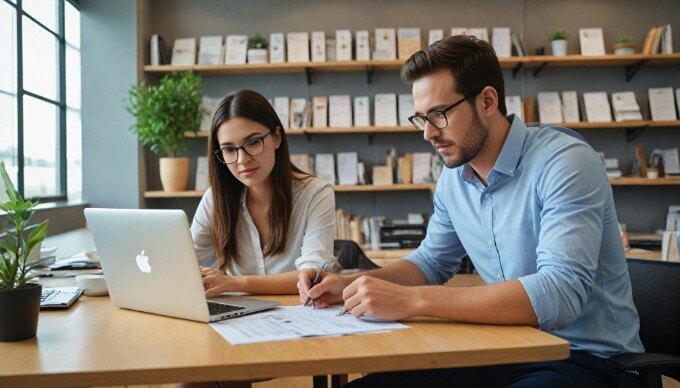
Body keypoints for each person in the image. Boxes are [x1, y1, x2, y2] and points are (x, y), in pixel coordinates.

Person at [298, 36, 643, 387]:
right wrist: (350, 285)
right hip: (504, 348)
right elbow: (430, 264)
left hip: (589, 361)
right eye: (421, 118)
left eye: (439, 115)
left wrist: (411, 300)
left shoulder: (565, 163)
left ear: (487, 100)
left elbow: (559, 295)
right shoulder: (453, 179)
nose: (428, 134)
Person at [192, 89, 338, 297]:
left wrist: (234, 283)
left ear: (276, 137)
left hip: (297, 315)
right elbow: (183, 262)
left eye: (253, 143)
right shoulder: (216, 198)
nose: (242, 159)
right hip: (237, 319)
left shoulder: (315, 193)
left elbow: (313, 277)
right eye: (230, 149)